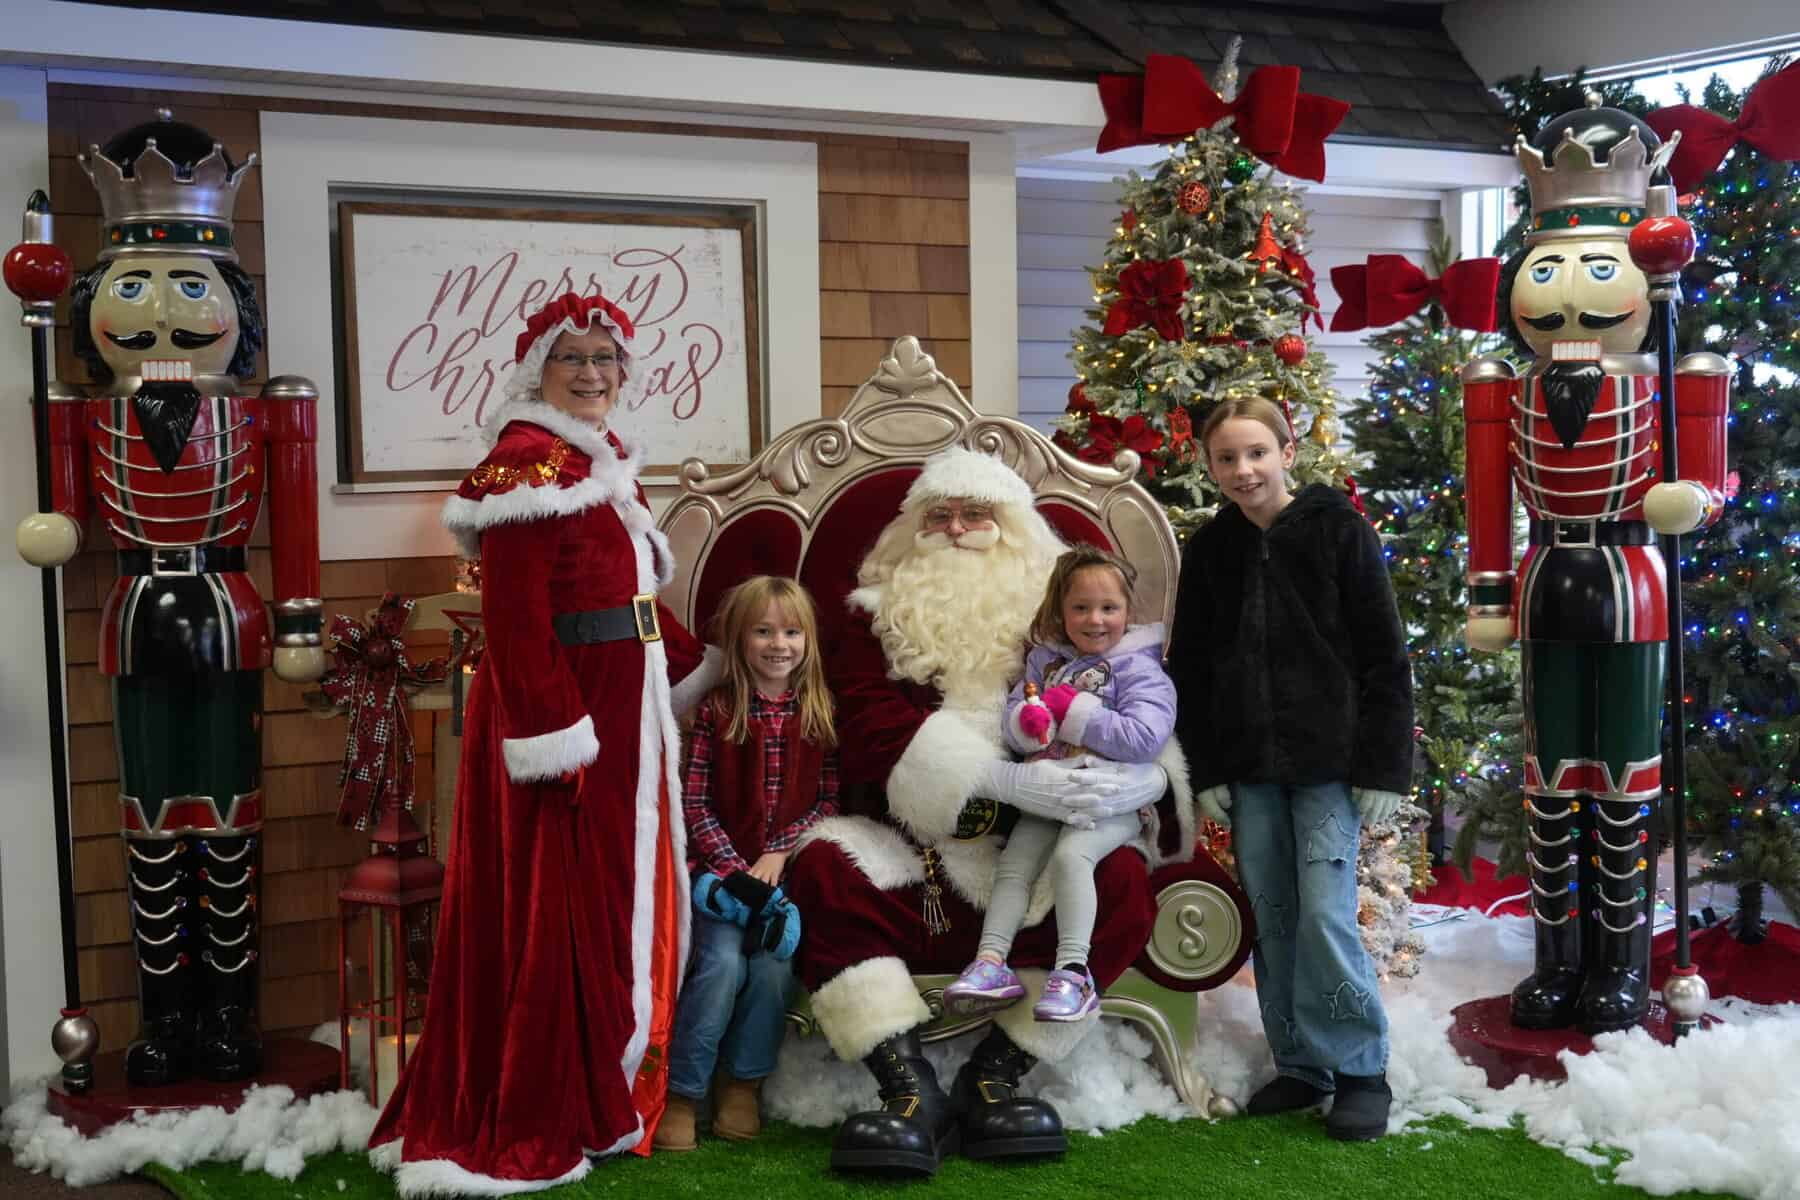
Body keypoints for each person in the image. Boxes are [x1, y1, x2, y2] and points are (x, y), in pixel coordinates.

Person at [369, 292, 721, 1195]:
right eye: (574, 358)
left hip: (624, 707)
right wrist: (555, 736)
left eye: (607, 358)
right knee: (562, 903)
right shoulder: (527, 463)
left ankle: (609, 1078)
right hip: (568, 720)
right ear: (539, 372)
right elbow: (516, 618)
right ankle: (551, 1098)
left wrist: (707, 666)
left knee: (608, 897)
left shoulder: (601, 460)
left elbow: (630, 604)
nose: (594, 373)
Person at [781, 447, 1194, 1177]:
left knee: (1122, 884)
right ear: (911, 530)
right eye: (938, 515)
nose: (956, 529)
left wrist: (1145, 783)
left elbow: (1141, 711)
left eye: (976, 515)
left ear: (1015, 529)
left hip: (1040, 843)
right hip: (912, 849)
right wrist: (999, 782)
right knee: (821, 869)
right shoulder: (873, 617)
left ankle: (995, 1076)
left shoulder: (1066, 623)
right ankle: (908, 1088)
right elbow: (870, 726)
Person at [17, 110, 323, 1086]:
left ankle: (231, 1011)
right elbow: (67, 514)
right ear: (92, 305)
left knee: (231, 813)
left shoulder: (272, 408)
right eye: (133, 285)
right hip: (138, 618)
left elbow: (297, 524)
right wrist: (56, 526)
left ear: (233, 303)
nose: (160, 311)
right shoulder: (80, 411)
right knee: (149, 817)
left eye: (190, 285)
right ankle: (166, 1015)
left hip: (230, 615)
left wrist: (301, 618)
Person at [1465, 96, 1727, 1036]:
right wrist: (1488, 591)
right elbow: (1487, 499)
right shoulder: (1502, 386)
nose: (1569, 293)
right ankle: (1556, 961)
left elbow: (1712, 485)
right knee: (1550, 779)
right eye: (1549, 268)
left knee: (1623, 779)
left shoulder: (1679, 374)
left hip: (1632, 589)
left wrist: (1693, 502)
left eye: (1598, 265)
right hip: (1545, 583)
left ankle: (1620, 966)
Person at [1166, 397, 1412, 1143]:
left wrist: (1384, 767)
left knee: (1325, 914)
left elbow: (1385, 655)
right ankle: (1302, 1064)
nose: (1243, 470)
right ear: (1210, 466)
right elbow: (1191, 667)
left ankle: (1360, 1071)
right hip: (1249, 770)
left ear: (1287, 452)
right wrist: (1206, 767)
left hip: (1329, 765)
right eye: (1226, 459)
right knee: (1272, 916)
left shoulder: (1341, 532)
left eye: (1256, 454)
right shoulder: (1212, 550)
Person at [943, 546, 1177, 1024]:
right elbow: (1017, 712)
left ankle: (1073, 973)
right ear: (1061, 610)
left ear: (1128, 611)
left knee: (1073, 856)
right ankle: (990, 963)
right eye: (1081, 607)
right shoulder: (1045, 661)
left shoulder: (1139, 667)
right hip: (1048, 790)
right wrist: (1027, 725)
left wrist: (1075, 712)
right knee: (1015, 864)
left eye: (1109, 608)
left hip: (1109, 799)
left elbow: (1144, 737)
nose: (1095, 620)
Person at [655, 576, 840, 1152]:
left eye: (791, 632)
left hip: (778, 881)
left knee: (772, 971)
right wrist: (734, 869)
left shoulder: (819, 713)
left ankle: (743, 1085)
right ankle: (684, 1091)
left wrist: (778, 852)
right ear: (739, 640)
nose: (778, 644)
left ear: (808, 640)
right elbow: (694, 803)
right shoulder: (718, 710)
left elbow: (827, 802)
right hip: (719, 877)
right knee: (720, 966)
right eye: (763, 631)